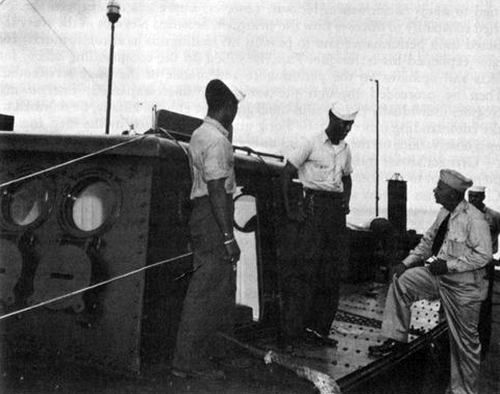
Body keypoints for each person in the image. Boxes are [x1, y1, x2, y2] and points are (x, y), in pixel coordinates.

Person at [369, 169, 492, 394]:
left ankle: (463, 391)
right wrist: (405, 264)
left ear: (453, 194)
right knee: (402, 281)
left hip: (465, 287)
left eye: (440, 188)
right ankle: (395, 338)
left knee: (464, 345)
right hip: (440, 278)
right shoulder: (444, 213)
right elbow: (428, 242)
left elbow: (484, 255)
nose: (435, 190)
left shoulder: (475, 219)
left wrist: (449, 265)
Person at [172, 79, 245, 379]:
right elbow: (216, 189)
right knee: (205, 291)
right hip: (213, 217)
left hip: (203, 216)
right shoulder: (217, 141)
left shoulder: (199, 134)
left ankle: (199, 357)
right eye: (235, 107)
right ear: (228, 106)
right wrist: (229, 237)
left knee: (210, 288)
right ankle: (188, 362)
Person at [279, 100, 358, 349]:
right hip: (313, 209)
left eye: (350, 125)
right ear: (331, 118)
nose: (346, 129)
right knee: (304, 272)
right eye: (343, 124)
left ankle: (318, 330)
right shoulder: (310, 143)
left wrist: (346, 201)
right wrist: (293, 208)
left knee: (330, 273)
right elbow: (286, 173)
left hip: (335, 214)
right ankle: (291, 334)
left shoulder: (346, 150)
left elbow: (347, 179)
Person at [468, 185, 500, 356]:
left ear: (483, 197)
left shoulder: (494, 216)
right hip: (467, 264)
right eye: (470, 196)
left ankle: (483, 349)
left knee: (484, 307)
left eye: (475, 197)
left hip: (485, 266)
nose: (472, 200)